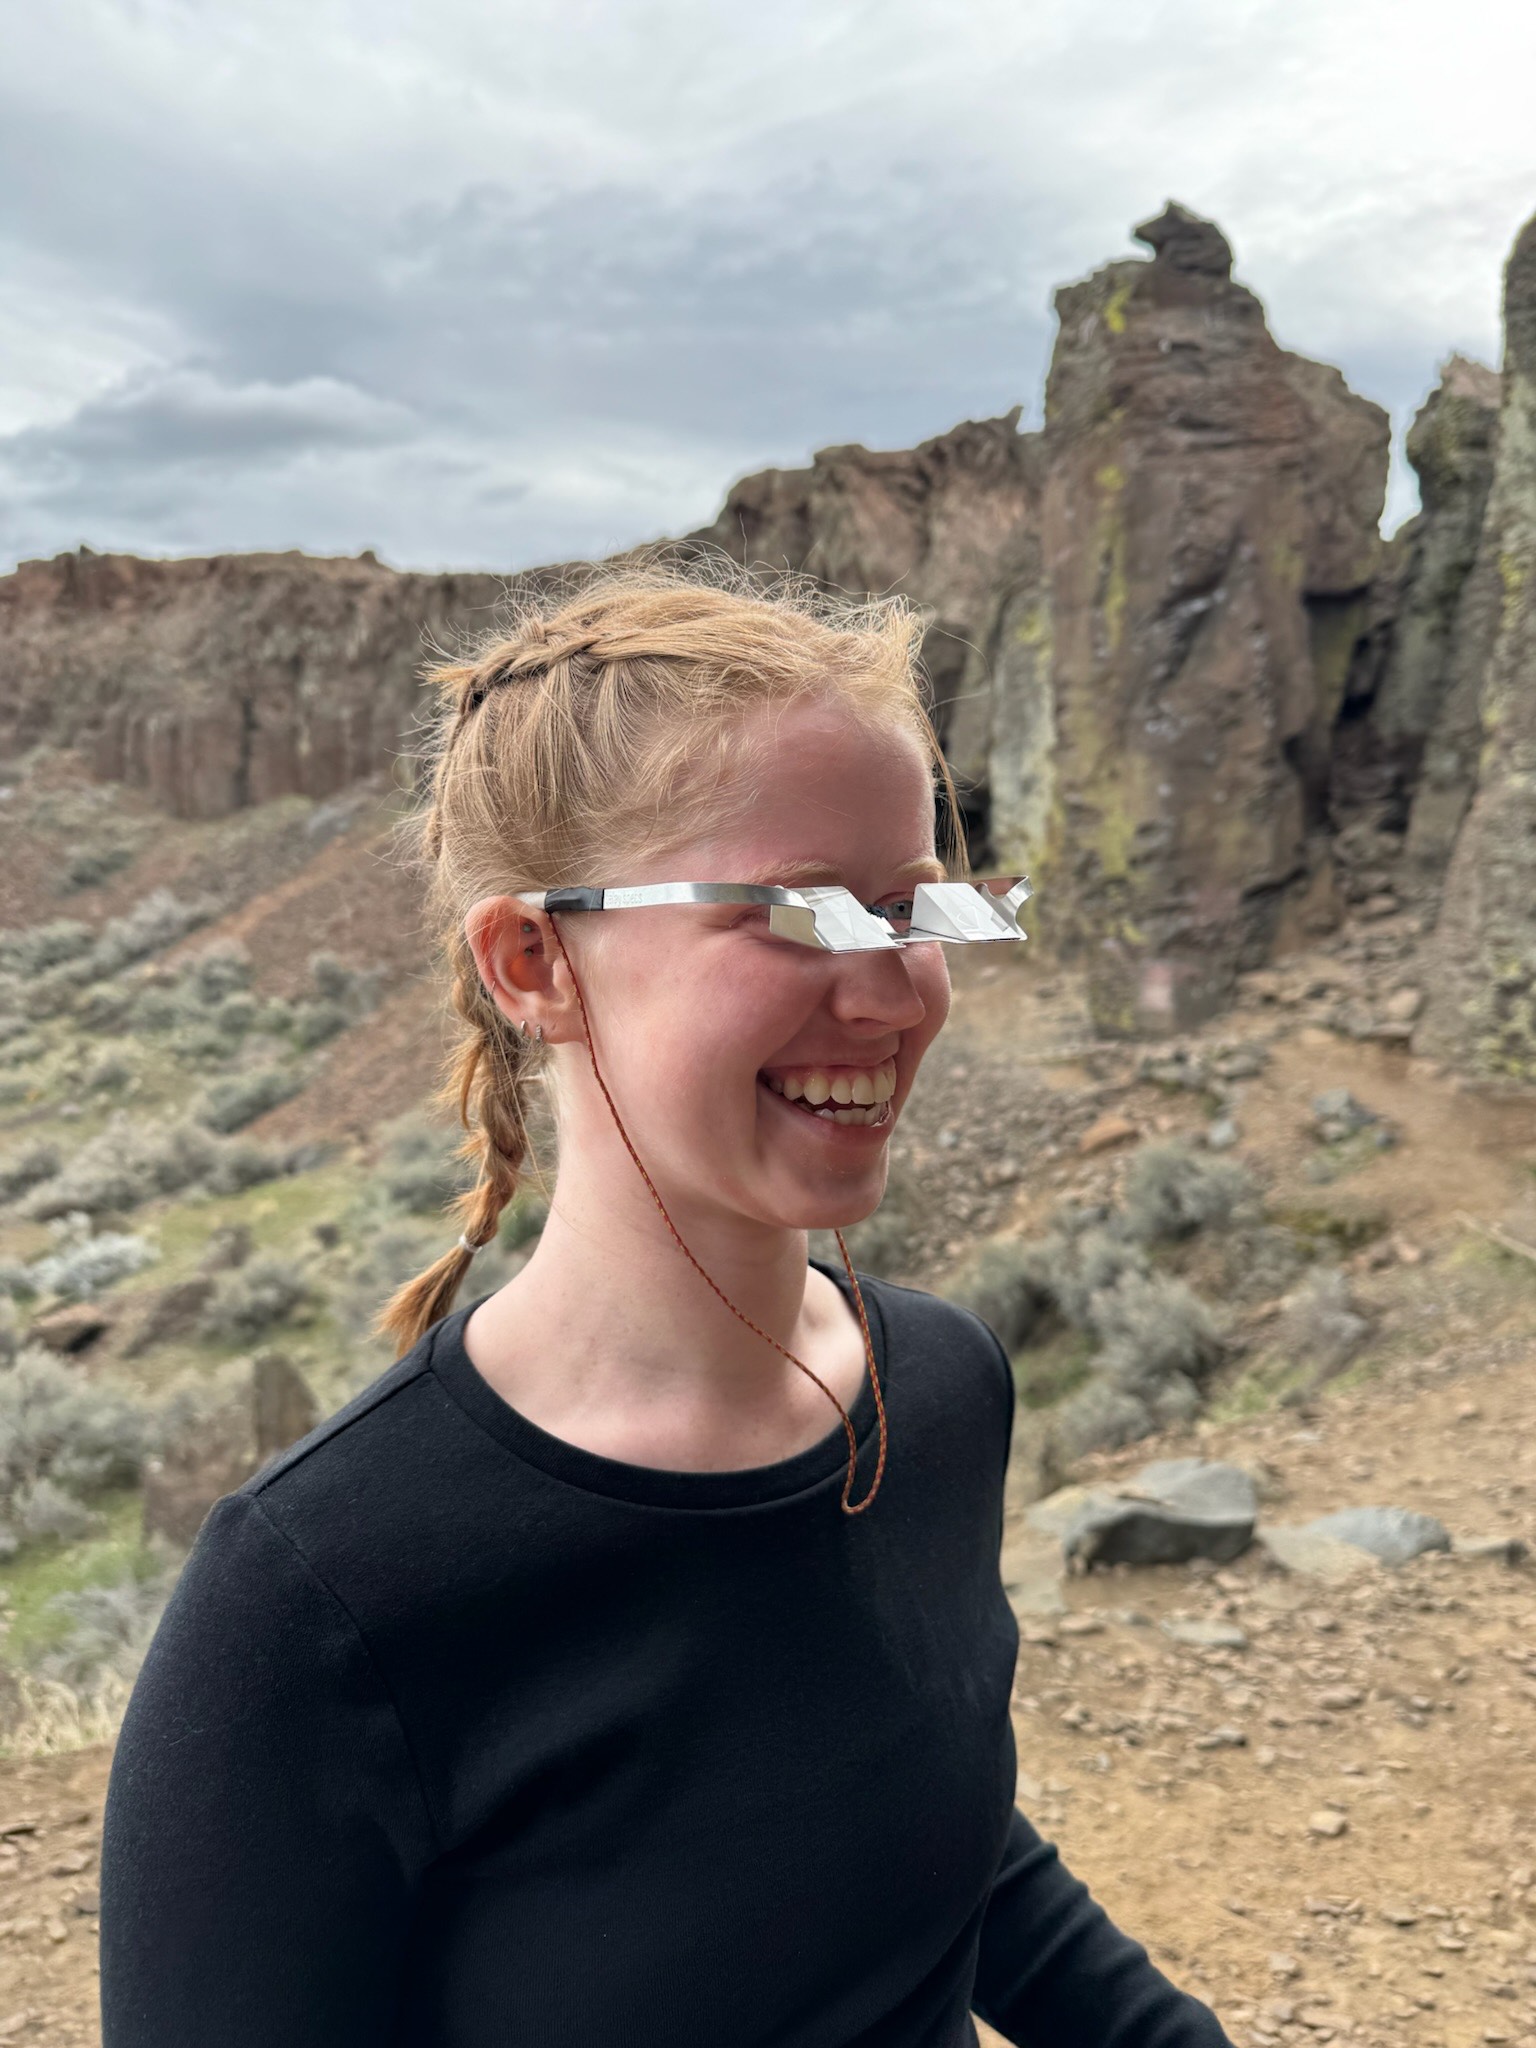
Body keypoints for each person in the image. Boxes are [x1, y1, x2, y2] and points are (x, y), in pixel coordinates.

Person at [99, 566, 1232, 2046]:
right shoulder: (319, 1605)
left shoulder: (941, 1388)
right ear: (535, 962)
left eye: (913, 904)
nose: (896, 989)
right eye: (800, 910)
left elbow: (933, 1846)